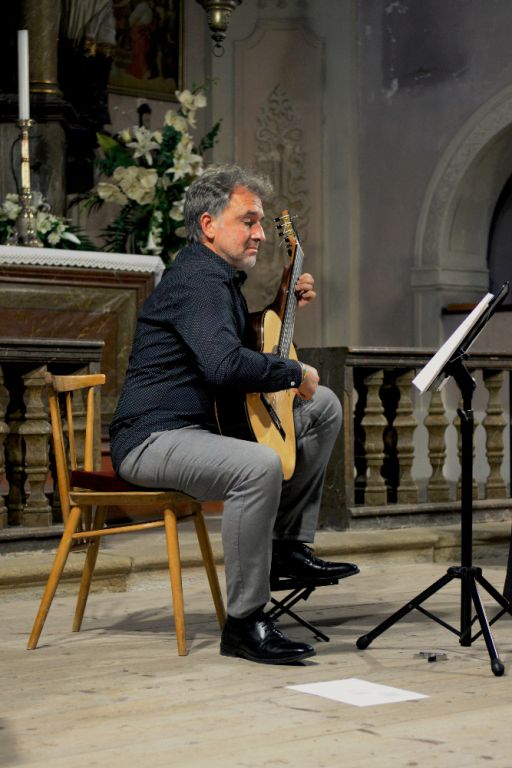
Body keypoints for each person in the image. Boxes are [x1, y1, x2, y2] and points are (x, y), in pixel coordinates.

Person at [109, 165, 358, 665]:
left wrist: (283, 300)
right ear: (208, 225)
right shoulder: (197, 280)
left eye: (261, 222)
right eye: (249, 221)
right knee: (257, 465)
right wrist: (294, 371)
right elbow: (224, 366)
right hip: (152, 437)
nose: (260, 234)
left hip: (200, 431)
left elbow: (235, 342)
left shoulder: (217, 279)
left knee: (324, 406)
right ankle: (244, 624)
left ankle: (286, 548)